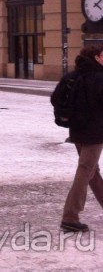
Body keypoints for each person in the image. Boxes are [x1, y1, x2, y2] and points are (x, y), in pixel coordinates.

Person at [61, 44, 103, 233]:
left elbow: (56, 98)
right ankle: (70, 217)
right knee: (86, 169)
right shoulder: (99, 77)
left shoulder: (73, 76)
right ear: (96, 57)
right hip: (94, 132)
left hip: (77, 131)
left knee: (92, 170)